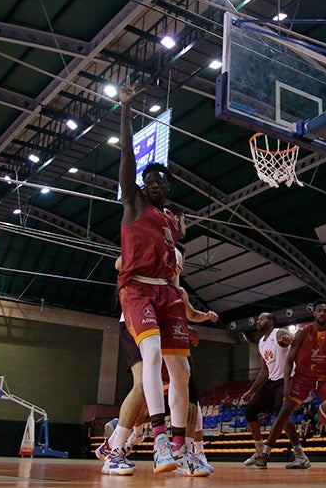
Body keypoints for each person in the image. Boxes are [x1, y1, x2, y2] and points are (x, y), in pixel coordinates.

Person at [116, 83, 192, 474]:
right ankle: (159, 439)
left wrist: (180, 234)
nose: (156, 183)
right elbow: (128, 158)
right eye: (150, 179)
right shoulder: (134, 203)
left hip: (167, 294)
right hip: (137, 290)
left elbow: (172, 262)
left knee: (182, 372)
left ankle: (180, 443)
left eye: (162, 180)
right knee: (151, 356)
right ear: (142, 186)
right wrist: (127, 109)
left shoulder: (170, 221)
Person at [100, 248, 216, 476]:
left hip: (163, 320)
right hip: (136, 316)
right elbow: (119, 263)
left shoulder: (176, 272)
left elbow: (179, 299)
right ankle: (115, 449)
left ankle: (183, 450)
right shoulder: (149, 242)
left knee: (185, 381)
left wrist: (191, 323)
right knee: (142, 384)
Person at [256, 300, 326, 469]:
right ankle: (265, 454)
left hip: (325, 379)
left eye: (325, 311)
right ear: (314, 313)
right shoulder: (303, 332)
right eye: (319, 310)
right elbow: (289, 360)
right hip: (302, 377)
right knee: (284, 412)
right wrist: (287, 384)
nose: (322, 313)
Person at [240, 312, 310, 470]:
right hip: (271, 382)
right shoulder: (261, 343)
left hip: (287, 380)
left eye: (262, 319)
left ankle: (300, 455)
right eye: (257, 319)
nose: (258, 321)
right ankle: (259, 449)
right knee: (250, 410)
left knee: (282, 416)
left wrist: (289, 339)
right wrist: (251, 391)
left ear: (270, 322)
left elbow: (286, 337)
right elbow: (264, 371)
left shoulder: (278, 333)